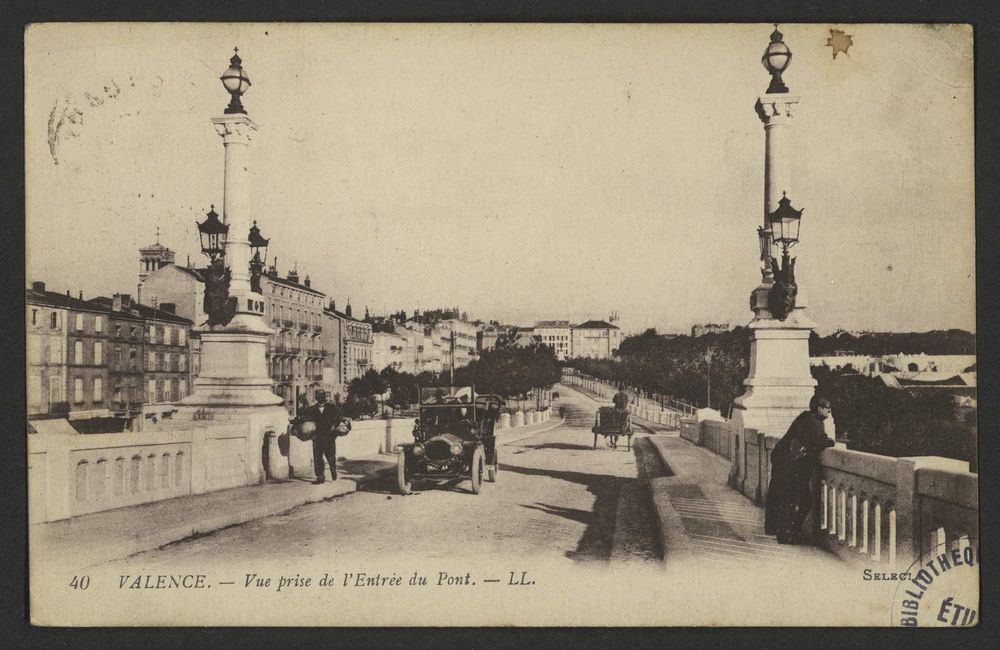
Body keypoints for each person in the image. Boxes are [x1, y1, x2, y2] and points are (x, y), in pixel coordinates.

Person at [764, 395, 835, 544]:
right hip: (791, 464)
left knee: (785, 495)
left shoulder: (807, 418)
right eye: (826, 407)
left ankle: (777, 529)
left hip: (785, 460)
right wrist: (829, 441)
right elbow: (820, 441)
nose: (829, 410)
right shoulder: (813, 421)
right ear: (819, 408)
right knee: (796, 498)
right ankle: (787, 534)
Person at [303, 389, 341, 484]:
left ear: (324, 397)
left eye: (321, 396)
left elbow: (338, 419)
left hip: (329, 437)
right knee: (317, 457)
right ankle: (320, 477)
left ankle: (333, 470)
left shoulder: (332, 408)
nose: (320, 398)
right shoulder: (312, 409)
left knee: (331, 456)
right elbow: (308, 421)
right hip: (317, 438)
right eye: (318, 396)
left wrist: (334, 426)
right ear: (316, 398)